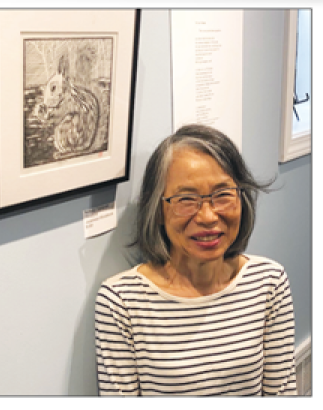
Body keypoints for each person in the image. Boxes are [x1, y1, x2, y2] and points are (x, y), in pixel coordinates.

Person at [94, 124, 296, 396]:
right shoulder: (121, 302)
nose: (208, 216)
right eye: (186, 199)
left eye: (222, 195)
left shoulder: (269, 282)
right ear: (158, 210)